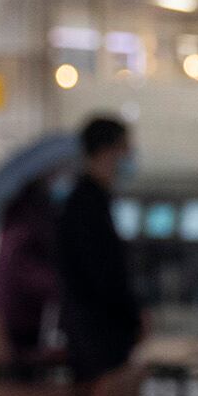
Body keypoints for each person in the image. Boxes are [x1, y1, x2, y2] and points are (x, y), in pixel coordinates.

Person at [54, 117, 143, 382]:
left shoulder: (93, 199)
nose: (128, 156)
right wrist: (132, 317)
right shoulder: (84, 205)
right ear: (106, 151)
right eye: (124, 148)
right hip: (96, 336)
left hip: (101, 332)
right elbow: (102, 274)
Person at [0, 181, 62, 362]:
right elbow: (33, 278)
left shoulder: (16, 228)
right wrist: (63, 286)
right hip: (15, 323)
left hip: (12, 318)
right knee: (18, 378)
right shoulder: (25, 234)